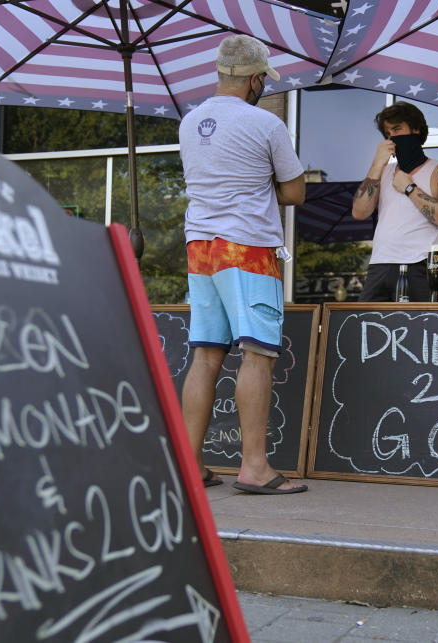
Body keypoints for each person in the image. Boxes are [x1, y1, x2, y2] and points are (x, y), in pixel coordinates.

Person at [178, 34, 307, 495]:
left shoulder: (189, 123)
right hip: (248, 248)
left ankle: (190, 466)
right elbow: (295, 193)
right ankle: (254, 467)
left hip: (200, 248)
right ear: (255, 79)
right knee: (257, 352)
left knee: (206, 354)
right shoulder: (266, 123)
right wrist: (258, 186)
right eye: (263, 81)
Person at [352, 101, 438, 301]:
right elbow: (359, 212)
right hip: (380, 265)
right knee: (365, 328)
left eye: (397, 129)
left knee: (419, 330)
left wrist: (410, 188)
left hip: (418, 266)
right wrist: (377, 165)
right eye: (387, 134)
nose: (392, 137)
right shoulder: (382, 172)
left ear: (416, 130)